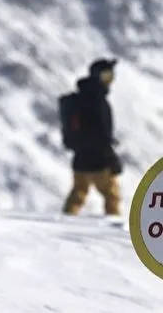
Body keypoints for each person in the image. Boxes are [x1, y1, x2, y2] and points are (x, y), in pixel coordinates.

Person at [61, 58, 123, 216]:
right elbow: (102, 134)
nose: (109, 81)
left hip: (80, 159)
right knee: (112, 195)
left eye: (111, 76)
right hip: (99, 160)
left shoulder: (79, 99)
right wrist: (111, 157)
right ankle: (114, 225)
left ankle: (65, 221)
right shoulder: (98, 102)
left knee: (77, 195)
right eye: (106, 76)